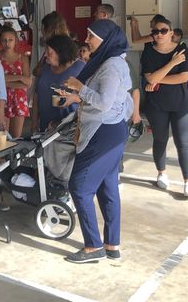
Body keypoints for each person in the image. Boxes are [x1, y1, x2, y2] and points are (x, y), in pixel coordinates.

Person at [58, 19, 133, 263]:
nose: (87, 40)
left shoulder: (110, 66)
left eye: (91, 36)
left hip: (102, 133)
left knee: (79, 187)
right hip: (111, 130)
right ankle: (112, 244)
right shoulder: (110, 62)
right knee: (107, 188)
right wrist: (76, 96)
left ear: (106, 39)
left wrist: (80, 87)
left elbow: (103, 103)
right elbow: (101, 100)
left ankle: (93, 246)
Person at [141, 18, 188, 197]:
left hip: (181, 104)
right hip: (157, 105)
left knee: (183, 142)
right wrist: (172, 63)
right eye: (155, 31)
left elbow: (183, 78)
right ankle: (161, 173)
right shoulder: (148, 52)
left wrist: (157, 78)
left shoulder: (182, 50)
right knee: (160, 139)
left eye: (163, 30)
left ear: (171, 33)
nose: (159, 34)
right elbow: (149, 78)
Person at [33, 35, 85, 132]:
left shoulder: (79, 68)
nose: (45, 55)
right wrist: (34, 124)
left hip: (68, 129)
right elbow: (36, 95)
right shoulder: (45, 68)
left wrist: (73, 97)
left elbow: (89, 99)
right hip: (44, 128)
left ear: (60, 52)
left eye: (49, 52)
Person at [0, 26, 31, 138]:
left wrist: (4, 80)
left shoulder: (23, 58)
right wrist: (20, 78)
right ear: (0, 41)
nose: (7, 43)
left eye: (10, 40)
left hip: (19, 100)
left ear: (16, 41)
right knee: (2, 138)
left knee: (16, 138)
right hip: (1, 99)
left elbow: (27, 82)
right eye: (4, 40)